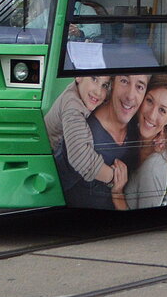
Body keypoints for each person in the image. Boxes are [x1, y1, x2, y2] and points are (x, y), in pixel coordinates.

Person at [55, 74, 148, 209]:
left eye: (139, 87)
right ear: (114, 84)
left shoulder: (134, 126)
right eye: (124, 81)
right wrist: (114, 178)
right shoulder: (81, 131)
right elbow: (78, 161)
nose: (130, 96)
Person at [112, 74, 167, 210]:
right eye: (149, 101)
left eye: (162, 110)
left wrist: (117, 193)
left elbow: (143, 222)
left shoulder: (153, 168)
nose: (152, 115)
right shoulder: (133, 135)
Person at [44, 75, 118, 187]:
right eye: (94, 79)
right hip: (48, 165)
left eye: (105, 85)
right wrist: (112, 177)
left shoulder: (81, 91)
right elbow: (79, 156)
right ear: (79, 76)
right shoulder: (72, 106)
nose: (98, 92)